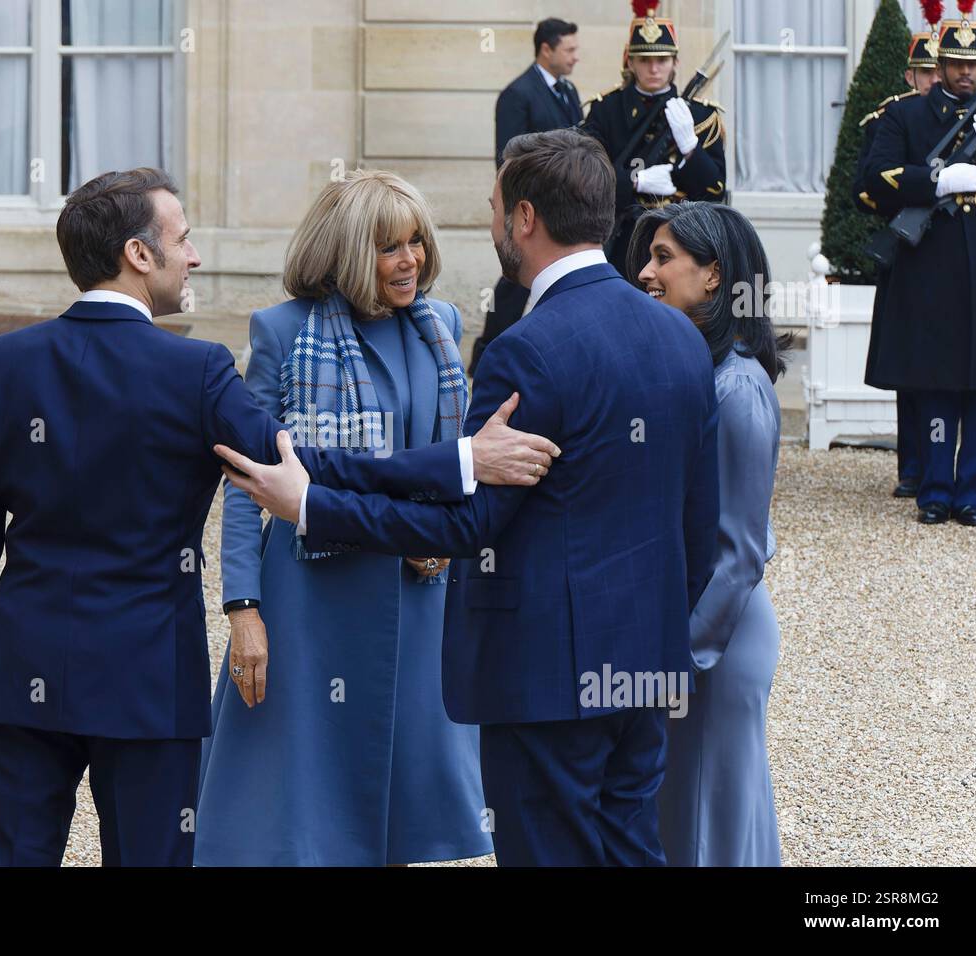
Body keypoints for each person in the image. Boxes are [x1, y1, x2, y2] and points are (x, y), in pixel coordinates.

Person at [0, 168, 556, 866]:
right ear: (139, 255)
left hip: (19, 671)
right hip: (148, 682)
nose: (195, 257)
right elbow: (302, 465)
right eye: (183, 239)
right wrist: (461, 462)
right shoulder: (196, 370)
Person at [216, 129, 722, 867]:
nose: (417, 256)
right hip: (644, 662)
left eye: (489, 208)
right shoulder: (679, 336)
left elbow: (473, 521)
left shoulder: (525, 346)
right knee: (629, 849)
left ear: (523, 217)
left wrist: (315, 500)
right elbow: (697, 530)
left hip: (543, 675)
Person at [196, 171, 496, 866]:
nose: (411, 260)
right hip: (310, 597)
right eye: (390, 247)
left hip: (418, 587)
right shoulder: (281, 331)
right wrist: (244, 608)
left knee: (406, 789)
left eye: (416, 241)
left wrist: (444, 539)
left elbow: (451, 464)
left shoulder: (441, 324)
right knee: (300, 801)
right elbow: (246, 482)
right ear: (350, 253)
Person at [627, 201, 790, 867]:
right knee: (683, 816)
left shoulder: (740, 390)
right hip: (687, 634)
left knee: (710, 822)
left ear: (715, 276)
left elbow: (740, 550)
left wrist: (680, 660)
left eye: (663, 257)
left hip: (716, 645)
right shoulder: (693, 370)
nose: (644, 272)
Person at [862, 4, 976, 527]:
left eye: (973, 65)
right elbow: (875, 178)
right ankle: (935, 489)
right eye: (956, 63)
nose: (964, 73)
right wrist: (936, 182)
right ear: (940, 62)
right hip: (932, 270)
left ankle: (973, 493)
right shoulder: (906, 116)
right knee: (936, 385)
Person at [855, 12, 941, 499]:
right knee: (912, 365)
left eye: (938, 70)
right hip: (909, 249)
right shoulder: (892, 118)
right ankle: (913, 466)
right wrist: (910, 194)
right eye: (924, 72)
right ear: (910, 75)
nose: (932, 79)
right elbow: (863, 188)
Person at [581, 1, 727, 278]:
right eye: (644, 60)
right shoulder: (606, 111)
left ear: (675, 62)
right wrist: (636, 182)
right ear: (630, 62)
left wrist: (690, 149)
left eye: (662, 60)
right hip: (621, 241)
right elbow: (586, 179)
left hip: (683, 240)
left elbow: (715, 190)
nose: (654, 69)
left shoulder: (700, 115)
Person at [472, 17, 583, 375]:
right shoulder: (517, 94)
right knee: (515, 279)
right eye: (569, 49)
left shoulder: (568, 92)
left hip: (563, 205)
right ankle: (488, 355)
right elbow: (508, 157)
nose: (575, 57)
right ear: (546, 49)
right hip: (529, 206)